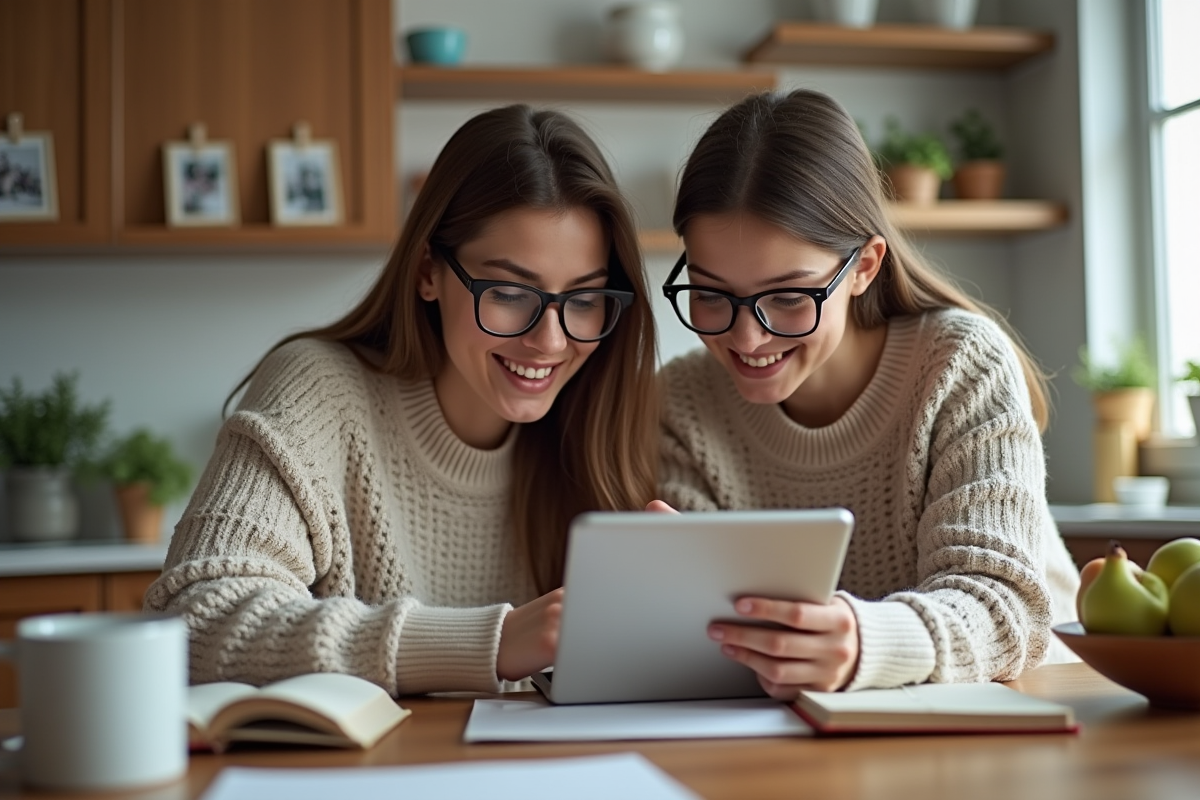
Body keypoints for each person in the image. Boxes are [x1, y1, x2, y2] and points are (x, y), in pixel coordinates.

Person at [145, 105, 659, 694]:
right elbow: (192, 621)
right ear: (427, 273)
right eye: (511, 292)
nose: (550, 339)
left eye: (585, 298)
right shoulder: (318, 392)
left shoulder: (607, 419)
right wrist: (492, 643)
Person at [653, 89, 1079, 696]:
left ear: (864, 267)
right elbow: (709, 641)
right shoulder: (682, 400)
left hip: (1030, 703)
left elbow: (1005, 609)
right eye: (712, 293)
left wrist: (866, 643)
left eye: (788, 296)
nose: (746, 337)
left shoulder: (959, 365)